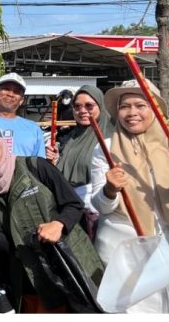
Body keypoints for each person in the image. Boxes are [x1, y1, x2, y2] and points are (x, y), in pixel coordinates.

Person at [90, 79, 169, 313]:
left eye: (140, 105)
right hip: (126, 253)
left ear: (155, 109)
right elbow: (100, 206)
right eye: (125, 106)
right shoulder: (105, 147)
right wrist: (110, 190)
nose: (132, 113)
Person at [0, 121, 103, 313]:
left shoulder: (36, 166)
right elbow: (6, 244)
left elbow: (73, 204)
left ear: (1, 143)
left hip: (72, 265)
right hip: (33, 279)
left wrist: (59, 224)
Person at [45, 86, 112, 238]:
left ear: (101, 106)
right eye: (77, 106)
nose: (82, 111)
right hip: (69, 210)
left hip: (96, 214)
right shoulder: (71, 136)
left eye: (89, 106)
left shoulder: (111, 136)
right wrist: (56, 160)